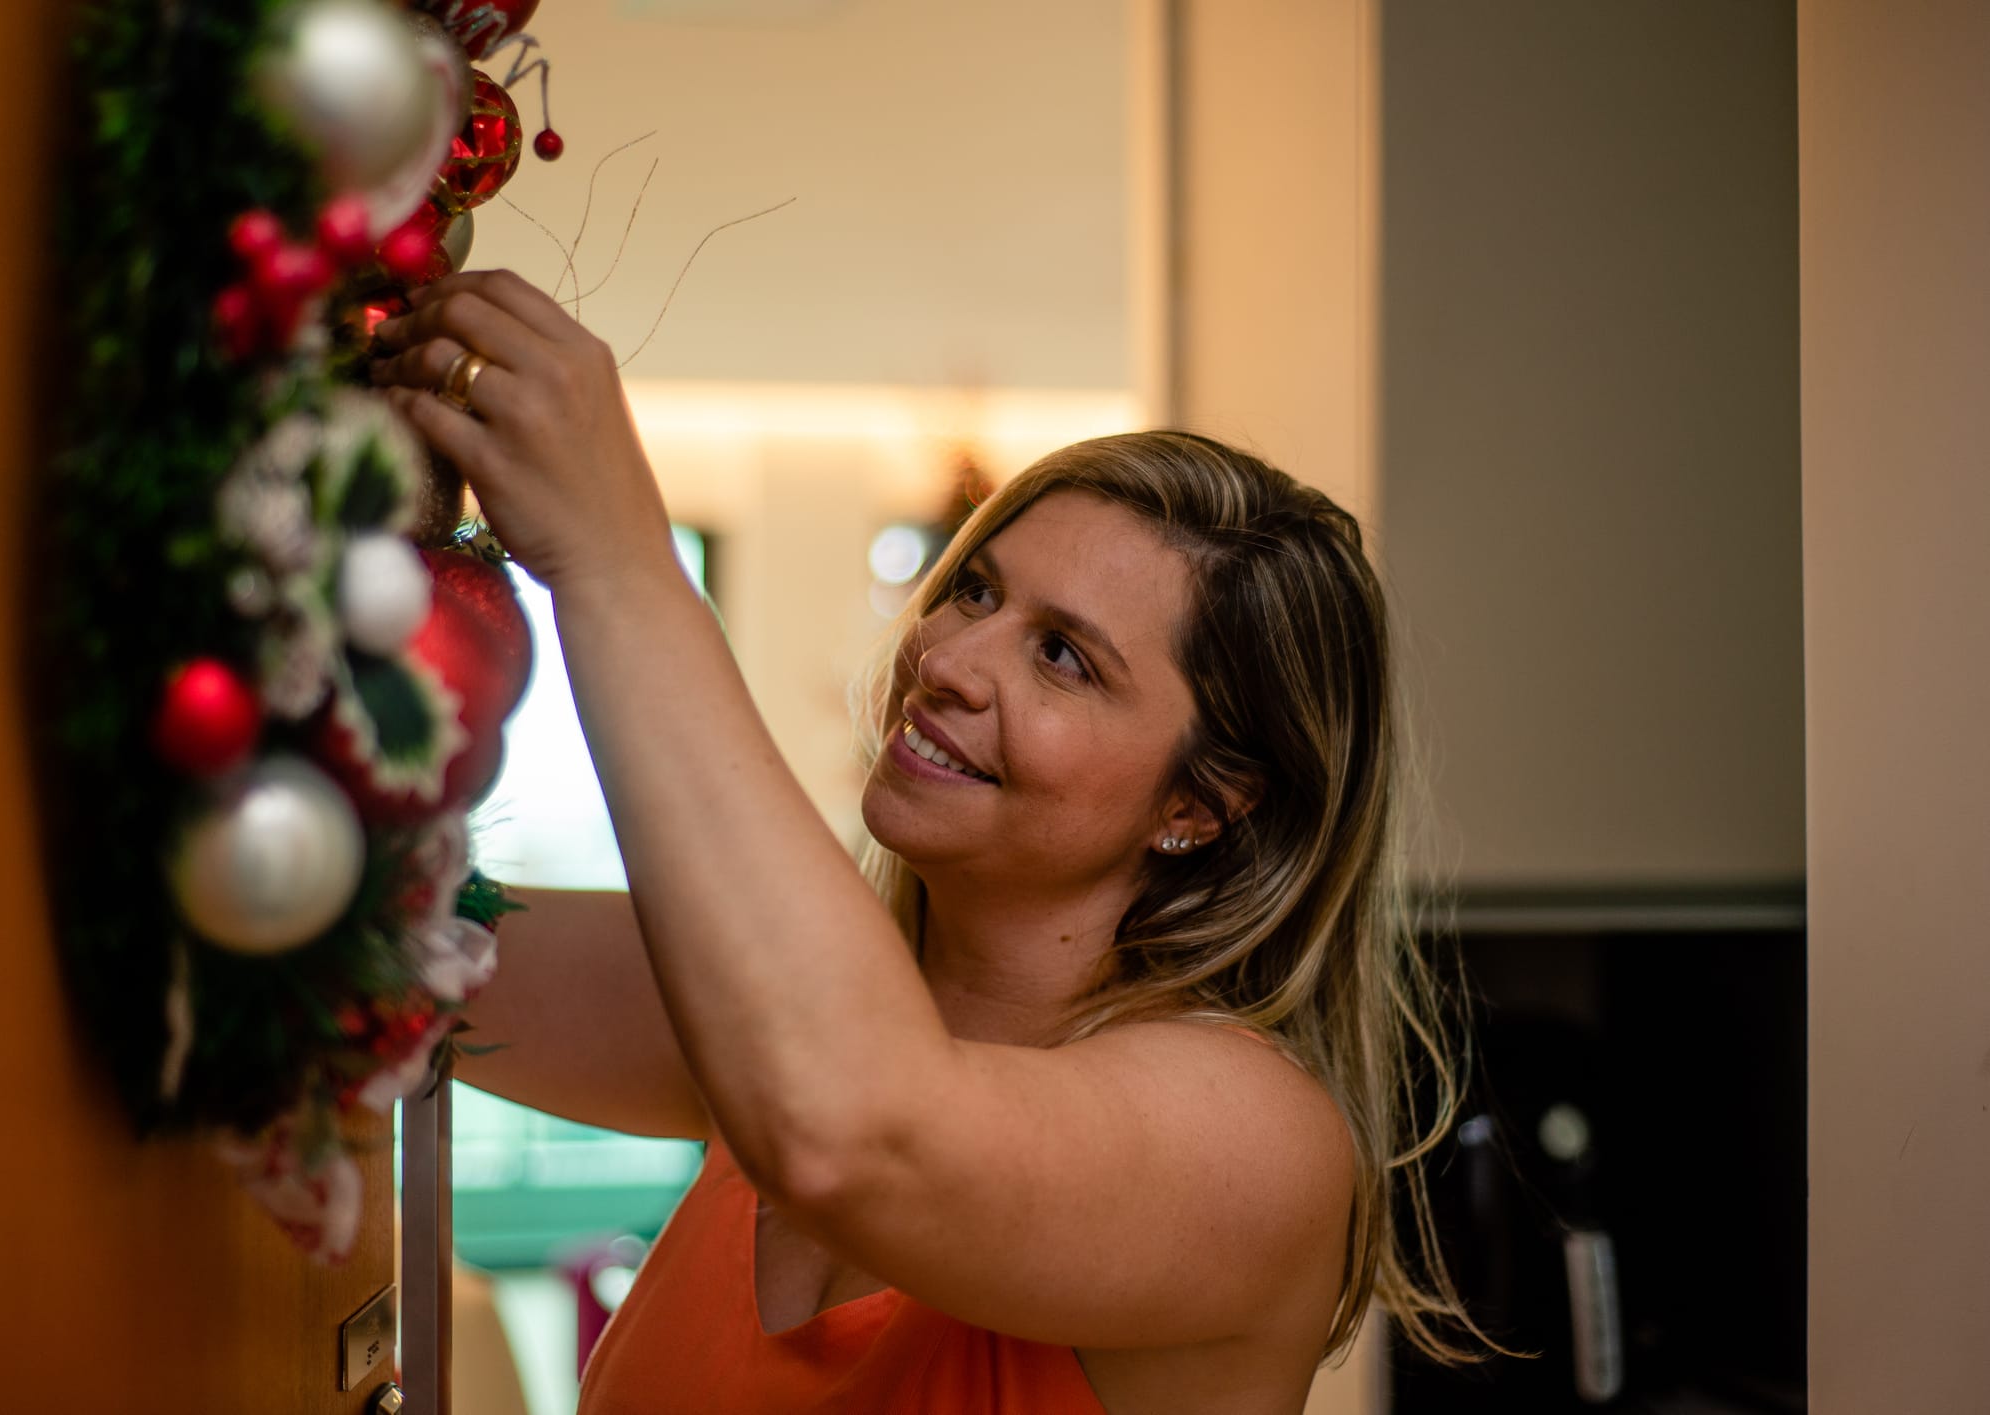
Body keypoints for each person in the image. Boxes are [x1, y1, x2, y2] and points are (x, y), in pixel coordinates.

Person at [370, 270, 1475, 1413]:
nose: (947, 656)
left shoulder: (1260, 1145)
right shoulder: (771, 1017)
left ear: (1202, 801)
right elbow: (379, 938)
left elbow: (854, 1135)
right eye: (979, 591)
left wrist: (617, 560)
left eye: (1063, 657)